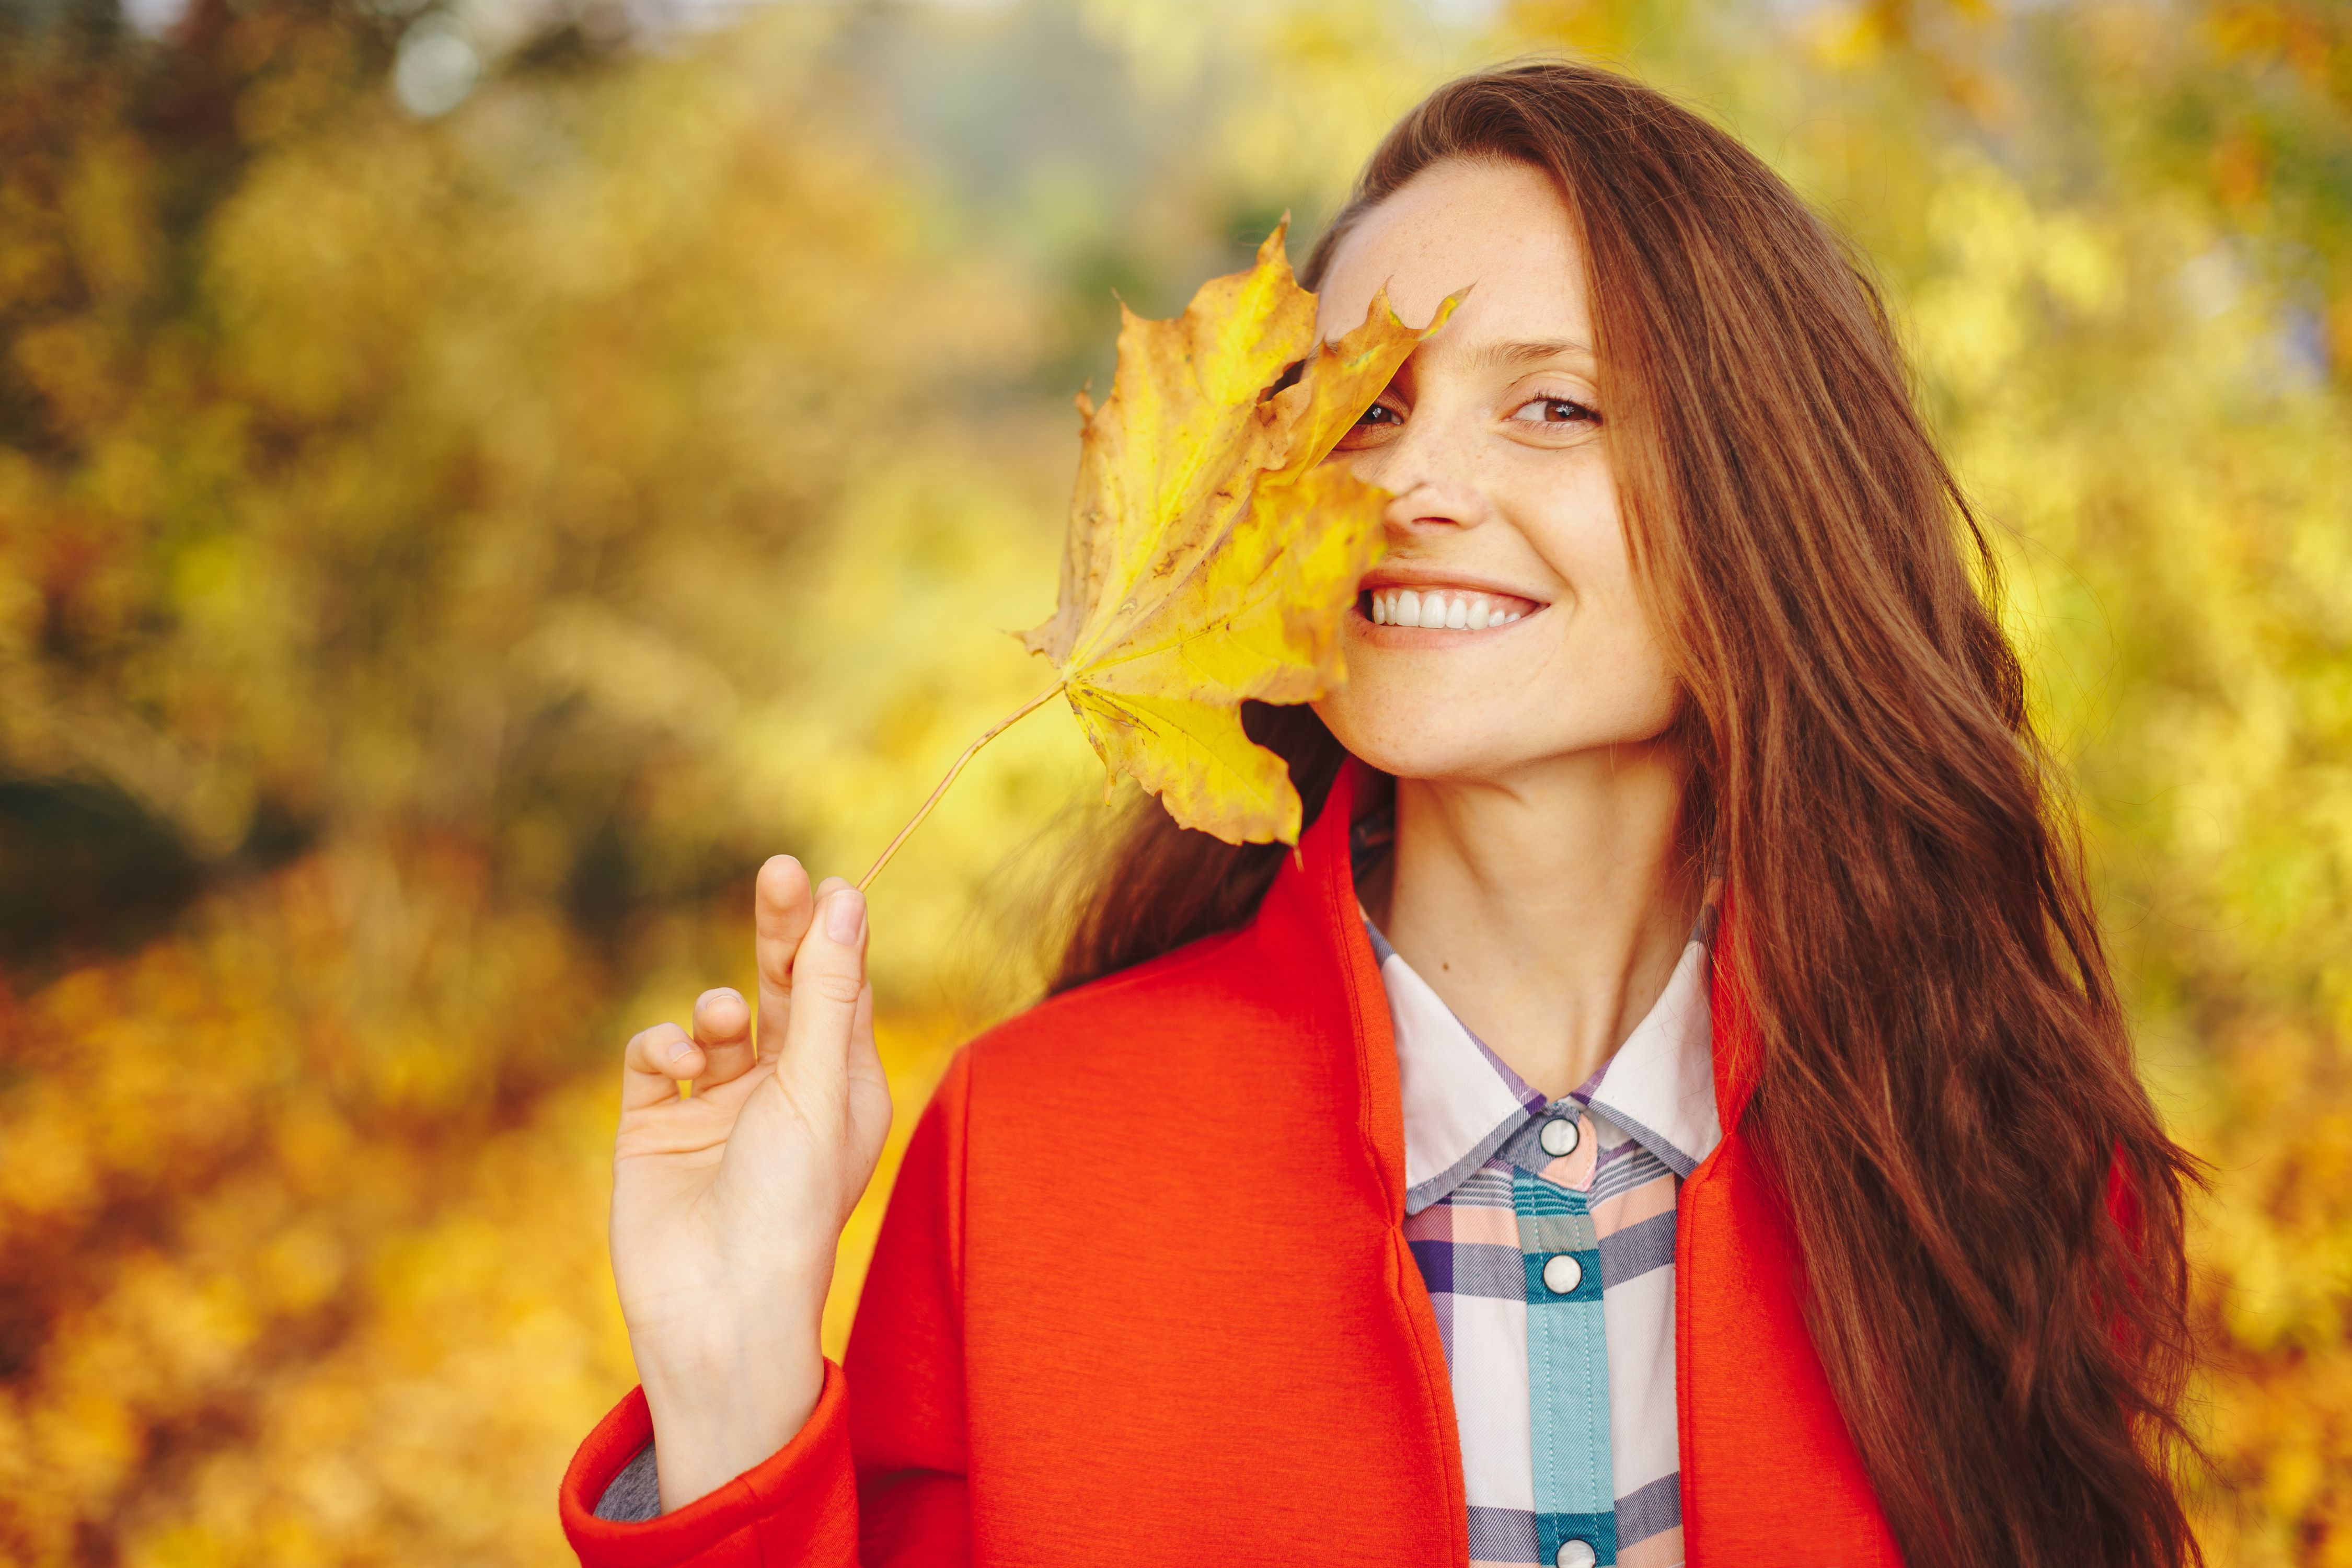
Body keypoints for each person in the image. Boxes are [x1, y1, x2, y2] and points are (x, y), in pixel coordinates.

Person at [557, 60, 2200, 1568]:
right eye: (1363, 410)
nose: (1411, 488)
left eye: (1553, 405)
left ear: (1765, 495)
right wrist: (729, 1396)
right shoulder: (1033, 1152)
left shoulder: (1975, 1141)